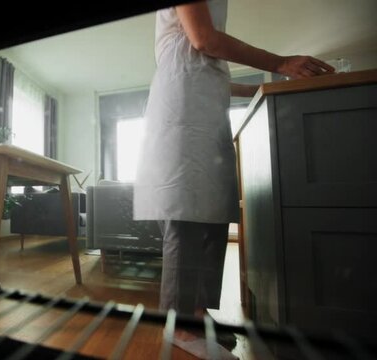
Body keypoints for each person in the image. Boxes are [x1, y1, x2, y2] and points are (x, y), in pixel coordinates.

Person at [133, 0, 334, 358]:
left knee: (211, 213)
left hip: (205, 110)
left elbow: (213, 71)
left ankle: (197, 310)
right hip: (182, 108)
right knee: (186, 212)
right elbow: (203, 39)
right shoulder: (198, 33)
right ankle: (178, 322)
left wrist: (261, 86)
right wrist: (280, 62)